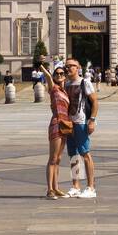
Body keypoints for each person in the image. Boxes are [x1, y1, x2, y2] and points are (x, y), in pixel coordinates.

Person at [63, 58, 97, 198]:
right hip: (68, 123)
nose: (69, 68)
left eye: (72, 66)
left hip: (81, 122)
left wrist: (92, 121)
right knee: (73, 155)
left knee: (85, 154)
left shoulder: (85, 82)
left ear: (78, 68)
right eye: (67, 66)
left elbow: (95, 102)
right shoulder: (66, 84)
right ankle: (76, 186)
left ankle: (91, 187)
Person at [45, 66, 72, 199]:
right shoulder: (53, 88)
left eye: (62, 73)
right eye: (57, 73)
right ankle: (49, 190)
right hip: (56, 123)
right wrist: (40, 64)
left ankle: (56, 187)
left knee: (59, 158)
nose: (59, 75)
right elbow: (48, 77)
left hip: (65, 124)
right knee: (53, 158)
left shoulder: (65, 92)